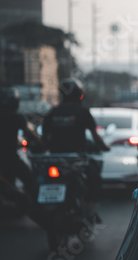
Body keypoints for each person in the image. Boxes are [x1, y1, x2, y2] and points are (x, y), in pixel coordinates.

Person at [42, 78, 110, 221]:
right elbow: (95, 136)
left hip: (55, 159)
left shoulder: (52, 112)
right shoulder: (83, 112)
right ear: (79, 94)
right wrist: (104, 147)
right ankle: (90, 211)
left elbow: (44, 138)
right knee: (95, 179)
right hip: (76, 159)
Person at [0, 87, 43, 200]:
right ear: (14, 102)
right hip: (9, 158)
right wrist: (41, 142)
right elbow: (30, 133)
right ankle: (38, 207)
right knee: (31, 182)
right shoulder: (15, 117)